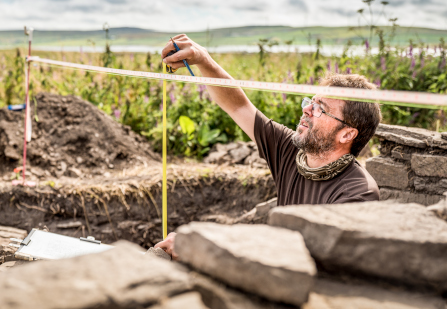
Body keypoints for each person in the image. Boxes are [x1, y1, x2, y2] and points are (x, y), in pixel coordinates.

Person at [154, 34, 382, 260]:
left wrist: (201, 244)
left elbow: (306, 256)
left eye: (320, 109)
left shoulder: (358, 193)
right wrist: (203, 59)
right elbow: (238, 107)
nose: (306, 110)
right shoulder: (291, 150)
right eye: (310, 102)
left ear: (347, 134)